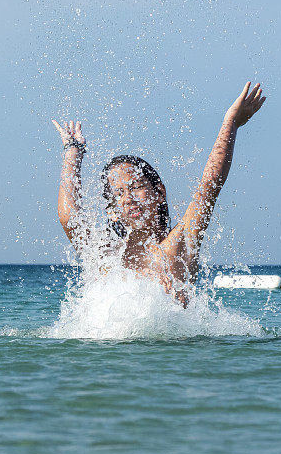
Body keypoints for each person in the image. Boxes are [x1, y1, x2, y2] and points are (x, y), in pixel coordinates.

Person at [53, 81, 265, 305]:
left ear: (159, 192)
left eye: (136, 187)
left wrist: (230, 123)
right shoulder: (105, 254)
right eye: (118, 194)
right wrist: (73, 150)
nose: (128, 198)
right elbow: (69, 217)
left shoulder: (177, 245)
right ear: (112, 211)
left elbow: (209, 188)